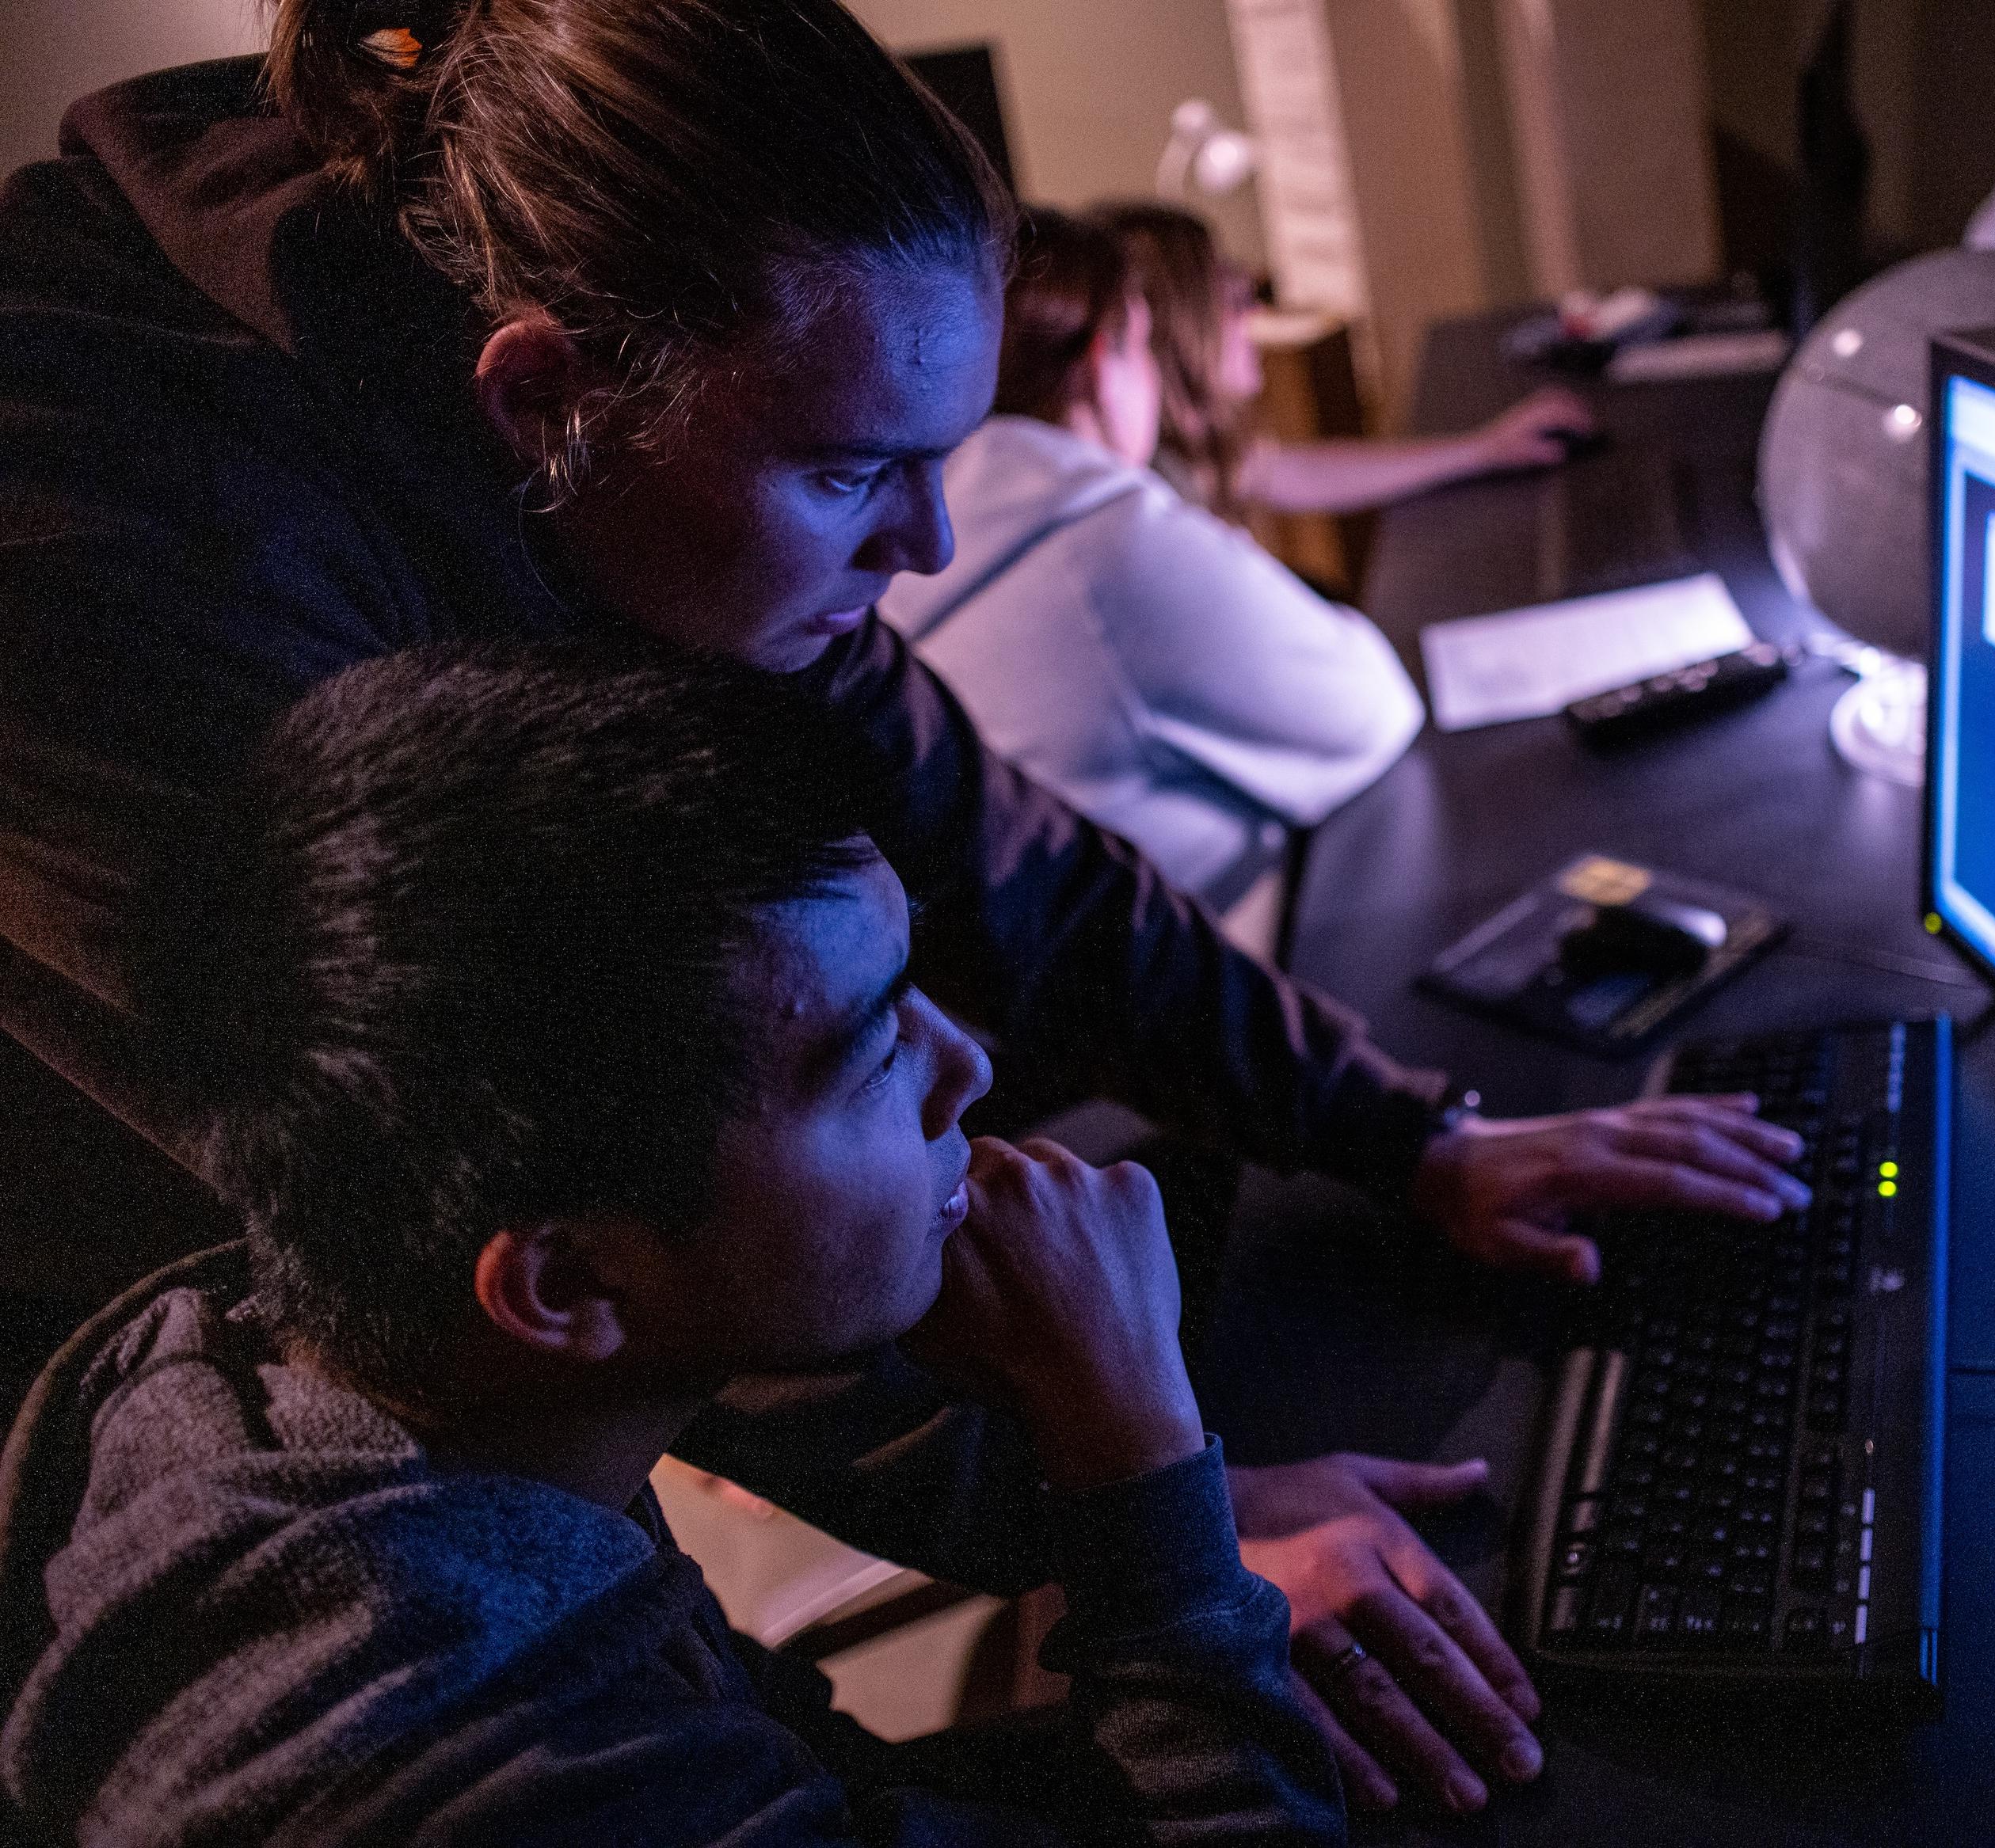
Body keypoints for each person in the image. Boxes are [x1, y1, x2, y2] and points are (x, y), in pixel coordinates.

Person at [0, 0, 1809, 1812]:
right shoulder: (130, 580)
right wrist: (1155, 1511)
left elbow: (978, 835)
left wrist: (1416, 1135)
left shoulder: (645, 451)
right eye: (857, 473)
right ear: (544, 399)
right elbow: (609, 1208)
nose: (929, 543)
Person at [0, 641, 1342, 1844]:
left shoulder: (249, 1381)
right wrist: (1136, 1446)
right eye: (870, 1049)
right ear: (569, 1280)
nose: (967, 1064)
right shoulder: (491, 1767)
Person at [881, 209, 1422, 914]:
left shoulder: (907, 539)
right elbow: (1368, 708)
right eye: (1142, 345)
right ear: (1104, 363)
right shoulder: (1101, 536)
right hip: (1211, 962)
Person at [1095, 200, 1597, 518]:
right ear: (1183, 326)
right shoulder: (1154, 500)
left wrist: (1482, 449)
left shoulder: (1190, 455)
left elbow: (1295, 471)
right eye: (1232, 295)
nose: (1254, 312)